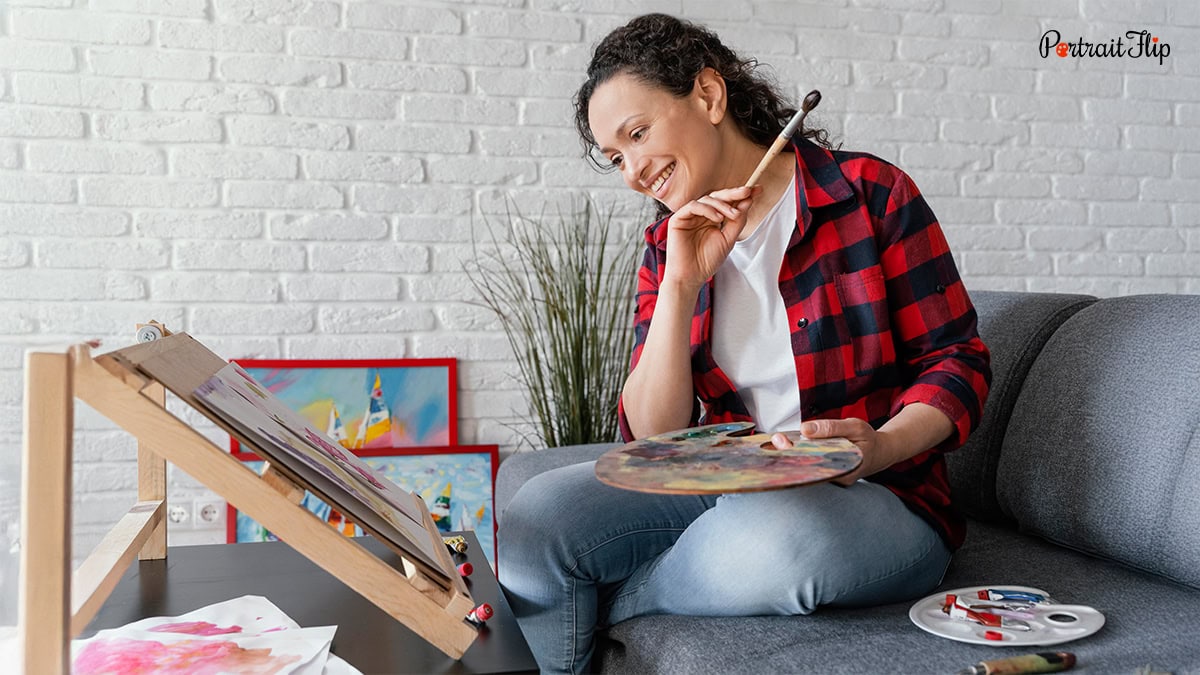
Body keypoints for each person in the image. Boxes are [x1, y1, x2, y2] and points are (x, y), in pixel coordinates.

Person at [498, 13, 991, 674]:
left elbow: (957, 361)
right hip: (727, 482)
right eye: (616, 157)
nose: (632, 173)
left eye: (638, 135)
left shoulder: (871, 194)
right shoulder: (665, 246)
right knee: (537, 513)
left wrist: (881, 446)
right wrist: (680, 285)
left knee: (779, 543)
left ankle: (610, 605)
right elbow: (651, 435)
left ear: (708, 96)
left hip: (876, 495)